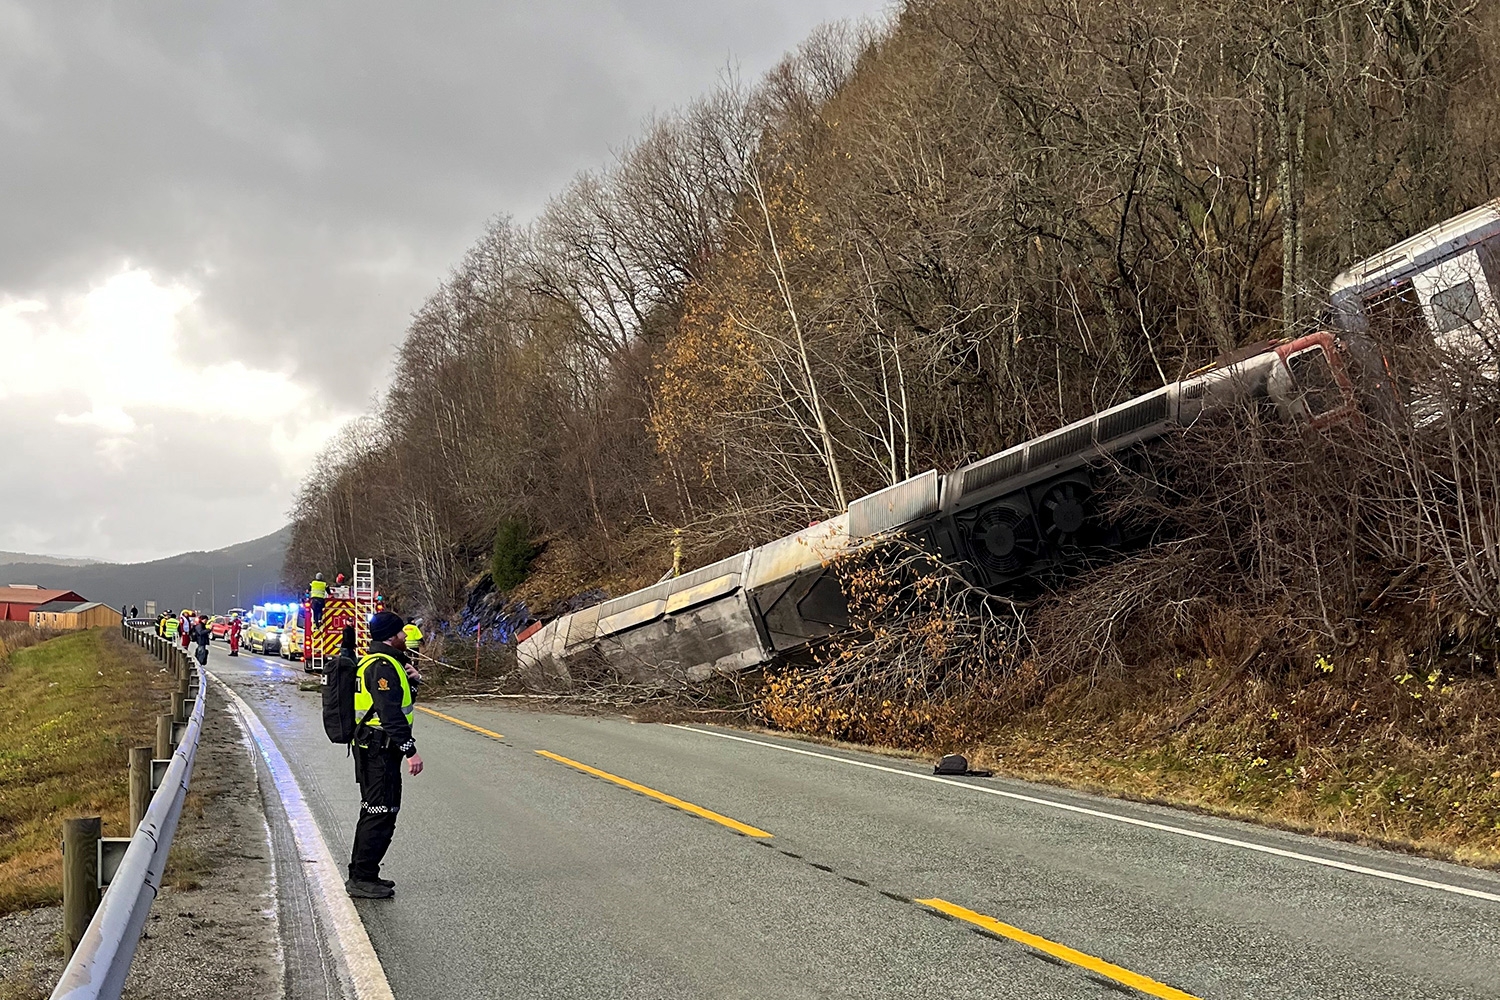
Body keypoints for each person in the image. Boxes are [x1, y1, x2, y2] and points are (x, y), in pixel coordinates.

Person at [347, 611, 423, 899]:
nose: (406, 637)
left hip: (377, 749)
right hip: (378, 750)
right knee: (378, 812)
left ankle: (366, 872)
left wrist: (415, 681)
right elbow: (390, 714)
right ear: (392, 636)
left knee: (380, 811)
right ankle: (361, 877)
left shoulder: (383, 662)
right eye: (402, 633)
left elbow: (398, 702)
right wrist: (411, 750)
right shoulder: (382, 666)